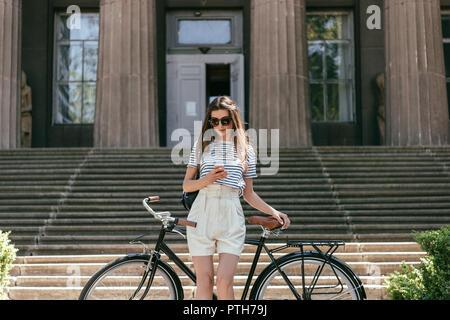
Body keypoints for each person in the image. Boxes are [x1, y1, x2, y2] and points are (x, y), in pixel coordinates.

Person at [182, 96, 290, 300]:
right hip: (201, 213)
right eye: (215, 121)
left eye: (225, 120)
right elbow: (187, 185)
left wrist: (273, 212)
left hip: (231, 213)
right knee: (204, 280)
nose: (220, 125)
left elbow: (249, 194)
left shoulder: (245, 150)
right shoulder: (201, 146)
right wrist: (208, 179)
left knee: (225, 281)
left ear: (234, 120)